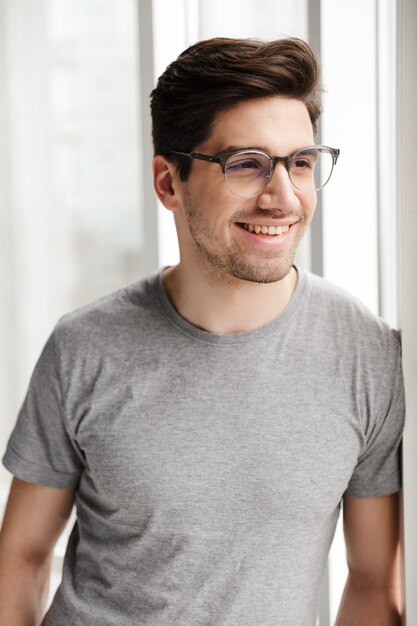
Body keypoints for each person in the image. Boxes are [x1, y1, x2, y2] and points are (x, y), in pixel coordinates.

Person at [0, 37, 404, 626]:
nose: (283, 197)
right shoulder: (83, 346)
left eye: (301, 162)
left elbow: (373, 582)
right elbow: (23, 553)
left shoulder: (369, 355)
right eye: (246, 164)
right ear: (169, 182)